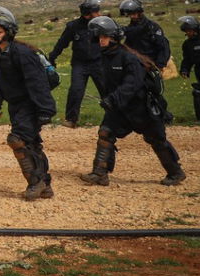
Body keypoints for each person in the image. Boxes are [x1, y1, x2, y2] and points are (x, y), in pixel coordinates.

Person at [79, 16, 185, 186]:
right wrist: (109, 100)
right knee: (105, 133)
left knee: (156, 140)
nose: (100, 41)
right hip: (120, 109)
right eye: (98, 38)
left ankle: (175, 173)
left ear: (113, 38)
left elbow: (132, 85)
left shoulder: (129, 58)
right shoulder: (105, 57)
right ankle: (100, 173)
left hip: (142, 109)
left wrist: (112, 99)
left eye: (103, 37)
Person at [0, 6, 56, 201]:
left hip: (30, 104)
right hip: (15, 104)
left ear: (8, 32)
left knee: (17, 139)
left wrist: (45, 110)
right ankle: (46, 185)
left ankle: (36, 183)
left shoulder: (23, 53)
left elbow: (38, 82)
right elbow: (2, 82)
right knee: (31, 143)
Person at [49, 0, 105, 128]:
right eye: (96, 11)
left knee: (106, 90)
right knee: (76, 90)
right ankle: (71, 119)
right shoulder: (73, 26)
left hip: (99, 63)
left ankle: (117, 118)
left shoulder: (101, 25)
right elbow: (62, 43)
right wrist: (52, 57)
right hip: (80, 65)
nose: (99, 14)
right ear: (87, 13)